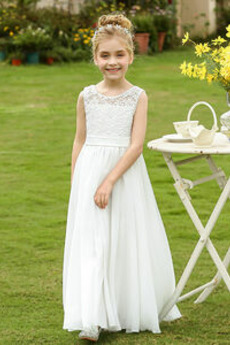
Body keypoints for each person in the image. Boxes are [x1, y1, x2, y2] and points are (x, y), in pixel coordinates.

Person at [62, 13, 182, 342]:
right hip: (89, 173)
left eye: (119, 55)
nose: (112, 62)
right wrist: (78, 180)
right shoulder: (86, 95)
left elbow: (136, 145)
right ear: (95, 58)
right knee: (94, 244)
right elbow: (79, 139)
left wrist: (110, 180)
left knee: (122, 241)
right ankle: (92, 318)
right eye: (105, 55)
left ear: (130, 55)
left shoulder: (137, 96)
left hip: (123, 177)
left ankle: (125, 306)